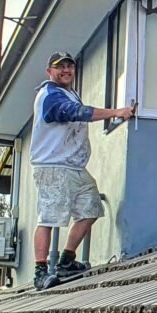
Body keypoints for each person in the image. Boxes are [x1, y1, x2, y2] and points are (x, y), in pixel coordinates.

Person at [30, 51, 134, 290]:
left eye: (69, 66)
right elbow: (78, 113)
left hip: (74, 166)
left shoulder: (68, 92)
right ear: (49, 72)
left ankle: (66, 260)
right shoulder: (49, 95)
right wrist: (116, 112)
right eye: (60, 67)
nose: (66, 70)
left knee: (91, 207)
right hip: (53, 166)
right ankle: (40, 271)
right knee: (49, 217)